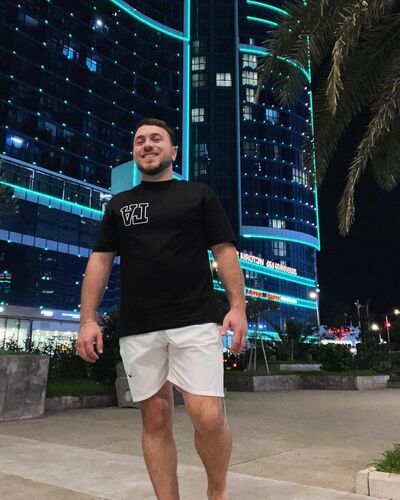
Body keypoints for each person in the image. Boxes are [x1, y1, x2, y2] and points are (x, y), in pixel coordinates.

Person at [77, 117, 248, 500]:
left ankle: (217, 491)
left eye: (156, 139)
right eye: (140, 140)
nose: (147, 145)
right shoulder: (120, 205)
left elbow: (224, 252)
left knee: (208, 416)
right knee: (155, 418)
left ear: (173, 151)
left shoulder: (198, 194)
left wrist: (237, 307)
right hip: (139, 325)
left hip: (196, 318)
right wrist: (87, 319)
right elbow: (100, 260)